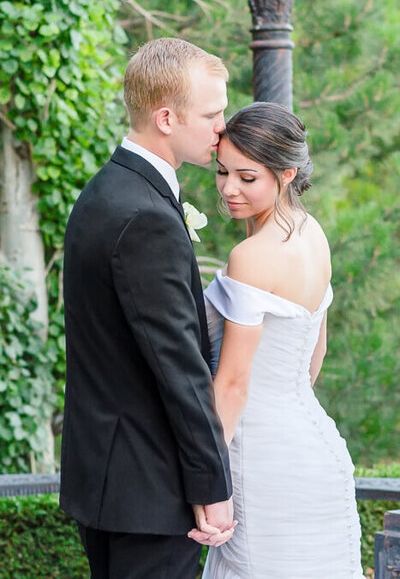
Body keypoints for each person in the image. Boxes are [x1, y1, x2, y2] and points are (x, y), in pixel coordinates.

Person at [60, 37, 236, 579]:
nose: (221, 127)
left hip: (109, 478)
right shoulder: (148, 218)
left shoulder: (103, 192)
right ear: (166, 117)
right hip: (150, 491)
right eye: (211, 113)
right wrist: (213, 486)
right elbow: (179, 368)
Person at [189, 102, 364, 578]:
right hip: (316, 447)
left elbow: (231, 386)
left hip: (263, 465)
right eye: (223, 172)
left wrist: (211, 482)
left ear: (287, 174)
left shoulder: (252, 255)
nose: (228, 189)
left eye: (248, 178)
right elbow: (314, 356)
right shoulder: (314, 233)